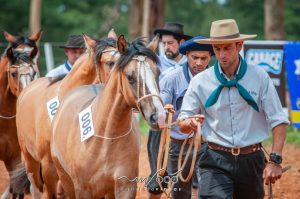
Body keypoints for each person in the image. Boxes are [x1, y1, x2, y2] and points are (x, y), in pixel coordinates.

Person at [178, 19, 289, 199]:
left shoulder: (259, 77)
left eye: (227, 48)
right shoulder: (200, 81)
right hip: (214, 158)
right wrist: (188, 123)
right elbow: (183, 120)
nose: (222, 55)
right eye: (217, 49)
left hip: (252, 160)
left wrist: (275, 160)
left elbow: (278, 121)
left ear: (239, 45)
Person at [159, 35, 214, 199]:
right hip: (179, 144)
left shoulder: (218, 79)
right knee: (180, 191)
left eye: (203, 58)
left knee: (212, 188)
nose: (199, 62)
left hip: (210, 144)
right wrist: (164, 109)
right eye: (194, 57)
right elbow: (159, 109)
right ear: (186, 56)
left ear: (210, 57)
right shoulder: (171, 78)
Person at [146, 22, 191, 199]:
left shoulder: (193, 61)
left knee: (188, 176)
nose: (166, 47)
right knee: (158, 177)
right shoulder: (154, 63)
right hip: (161, 126)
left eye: (170, 43)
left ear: (181, 43)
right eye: (164, 43)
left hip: (187, 127)